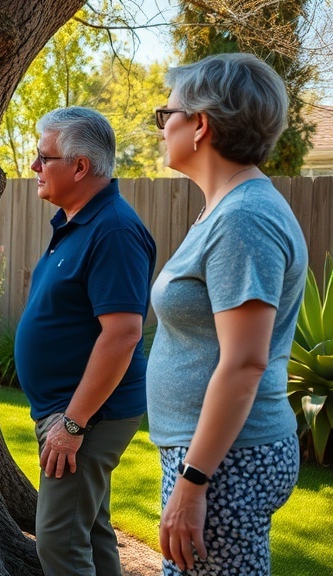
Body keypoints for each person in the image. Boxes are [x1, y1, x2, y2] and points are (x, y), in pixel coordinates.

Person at [148, 53, 307, 576]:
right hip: (214, 454)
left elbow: (244, 363)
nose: (161, 127)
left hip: (226, 461)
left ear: (200, 125)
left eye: (164, 114)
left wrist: (194, 482)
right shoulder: (224, 209)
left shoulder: (244, 220)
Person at [13, 106, 157, 575]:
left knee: (58, 542)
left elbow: (123, 334)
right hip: (72, 410)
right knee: (90, 534)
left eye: (44, 156)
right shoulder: (77, 221)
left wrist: (72, 425)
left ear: (80, 166)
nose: (34, 166)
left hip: (87, 415)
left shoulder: (113, 229)